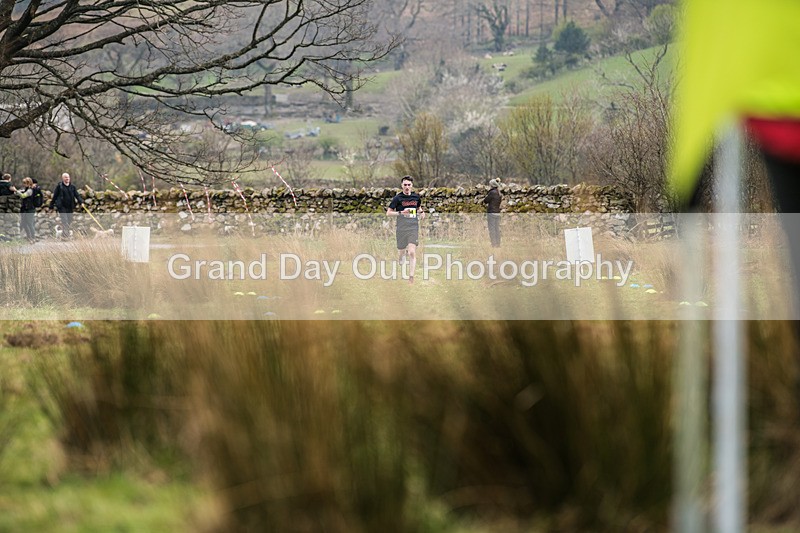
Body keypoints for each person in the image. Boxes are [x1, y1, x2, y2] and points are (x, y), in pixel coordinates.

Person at [387, 175, 424, 284]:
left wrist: (422, 213)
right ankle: (401, 258)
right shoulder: (397, 198)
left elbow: (418, 208)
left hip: (413, 227)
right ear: (402, 185)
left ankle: (411, 278)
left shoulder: (416, 197)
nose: (407, 187)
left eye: (409, 185)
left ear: (412, 185)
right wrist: (400, 213)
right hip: (401, 229)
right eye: (405, 185)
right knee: (401, 253)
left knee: (412, 252)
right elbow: (388, 213)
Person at [50, 172, 83, 238]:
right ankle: (65, 236)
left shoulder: (73, 187)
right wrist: (51, 204)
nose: (67, 178)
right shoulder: (59, 186)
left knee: (69, 220)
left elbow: (77, 195)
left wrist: (81, 202)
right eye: (65, 177)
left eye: (68, 177)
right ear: (63, 178)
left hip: (70, 206)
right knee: (64, 221)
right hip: (62, 206)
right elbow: (55, 196)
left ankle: (64, 234)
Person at [11, 177, 36, 243]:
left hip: (30, 209)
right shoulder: (25, 189)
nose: (24, 184)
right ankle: (29, 237)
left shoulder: (30, 190)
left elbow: (23, 196)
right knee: (24, 223)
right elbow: (19, 193)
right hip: (24, 209)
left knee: (30, 223)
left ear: (29, 183)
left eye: (25, 183)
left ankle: (33, 237)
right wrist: (15, 191)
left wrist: (16, 190)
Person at [483, 178, 502, 247]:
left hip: (491, 213)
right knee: (497, 229)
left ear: (492, 185)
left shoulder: (492, 192)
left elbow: (486, 201)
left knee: (492, 229)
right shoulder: (499, 193)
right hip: (497, 212)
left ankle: (493, 244)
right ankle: (498, 244)